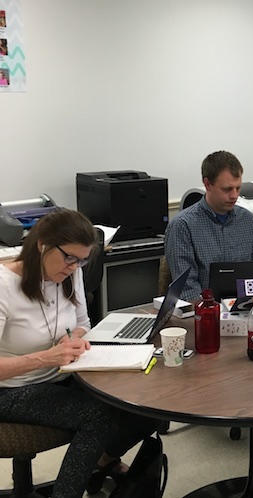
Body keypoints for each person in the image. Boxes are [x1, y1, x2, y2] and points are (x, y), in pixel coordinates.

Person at [0, 209, 160, 498]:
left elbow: (83, 325)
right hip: (10, 389)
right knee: (96, 415)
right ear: (42, 244)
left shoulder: (69, 274)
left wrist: (74, 340)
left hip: (62, 374)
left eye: (82, 260)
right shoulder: (3, 285)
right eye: (69, 258)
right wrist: (47, 357)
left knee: (143, 401)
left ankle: (102, 459)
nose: (74, 267)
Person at [165, 150, 253, 462]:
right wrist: (219, 310)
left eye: (238, 188)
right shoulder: (183, 226)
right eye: (227, 189)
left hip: (247, 309)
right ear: (206, 184)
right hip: (206, 317)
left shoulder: (245, 219)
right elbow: (186, 289)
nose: (235, 195)